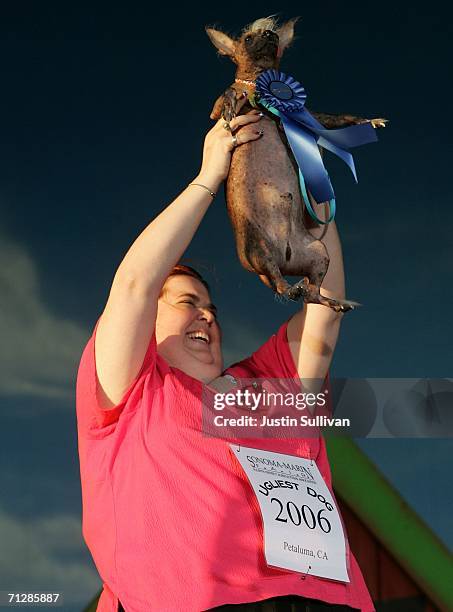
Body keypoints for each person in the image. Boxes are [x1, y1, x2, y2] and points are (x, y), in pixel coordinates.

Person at [76, 105, 375, 612]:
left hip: (327, 603)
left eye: (211, 308)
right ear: (147, 323)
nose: (207, 317)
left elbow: (326, 311)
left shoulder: (269, 386)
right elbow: (133, 286)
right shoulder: (133, 394)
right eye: (186, 303)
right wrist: (208, 179)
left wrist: (314, 191)